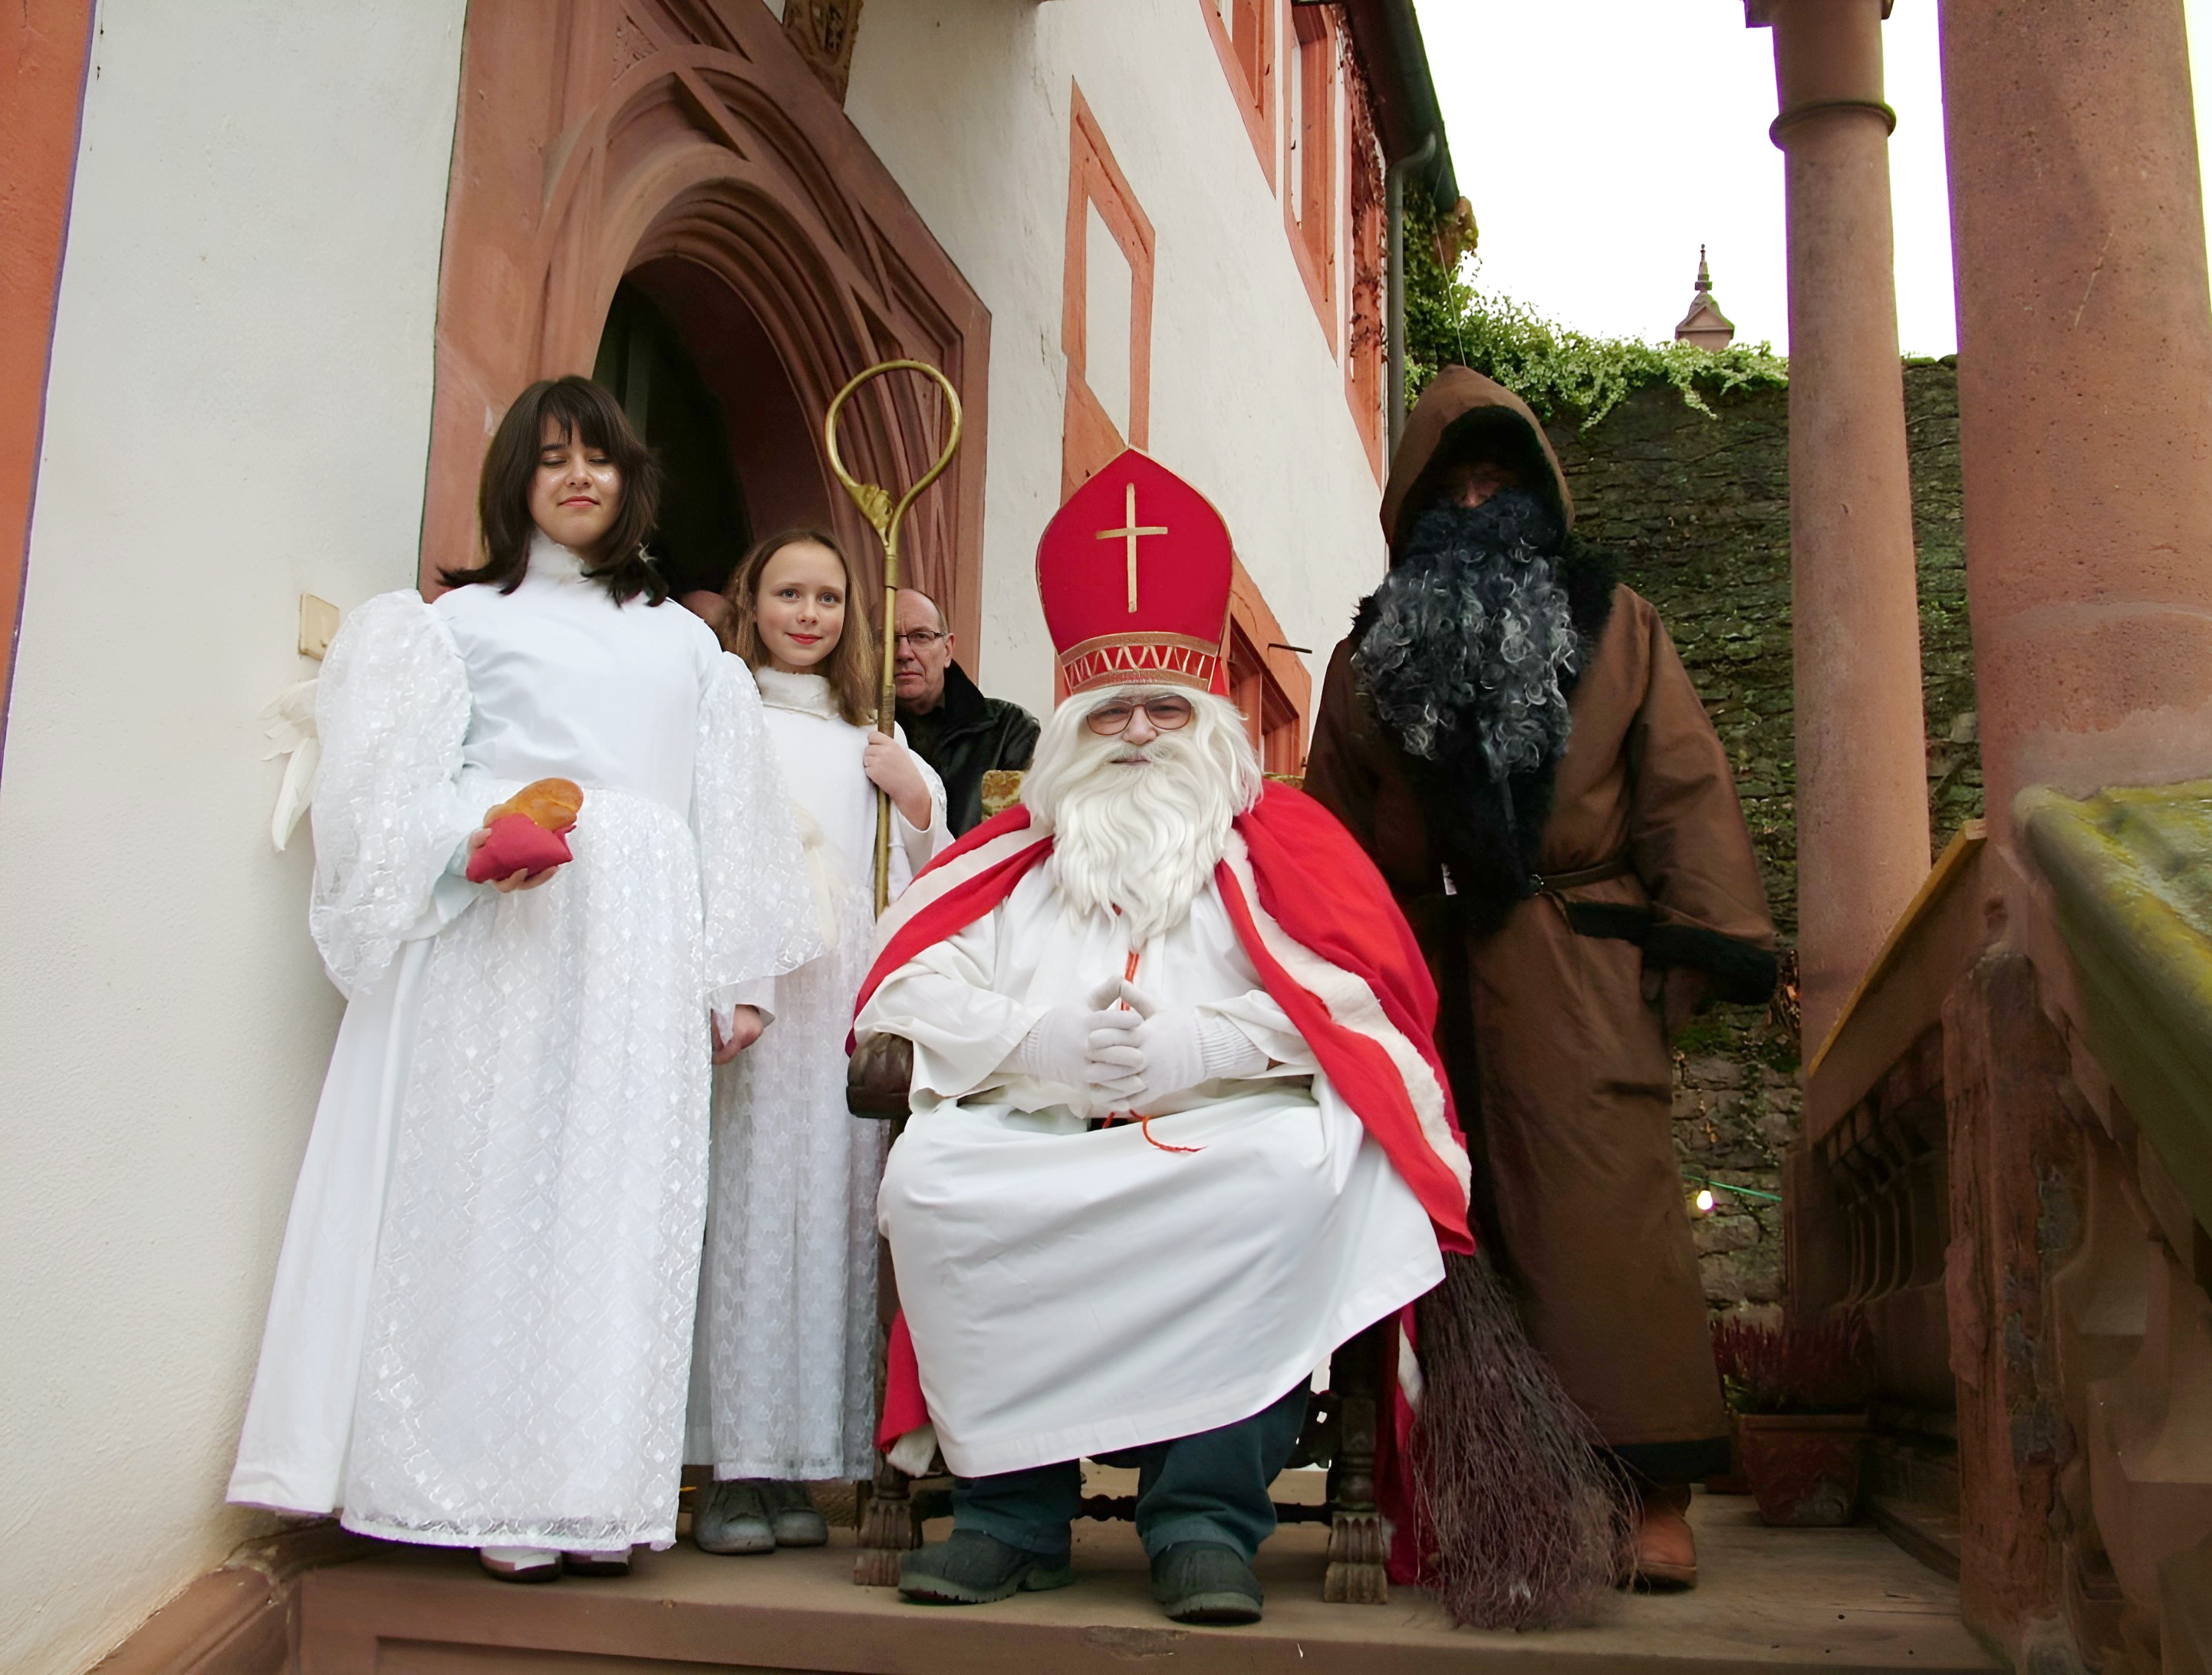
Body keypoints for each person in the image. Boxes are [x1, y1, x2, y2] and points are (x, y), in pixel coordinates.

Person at [848, 452, 1471, 1626]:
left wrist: (1205, 1047)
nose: (1137, 731)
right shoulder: (1010, 862)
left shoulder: (1283, 843)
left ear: (1207, 721)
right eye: (1111, 711)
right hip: (1032, 1125)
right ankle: (1007, 1514)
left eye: (1165, 708)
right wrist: (1038, 1046)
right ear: (1075, 728)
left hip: (1223, 1130)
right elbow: (905, 990)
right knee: (933, 1182)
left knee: (1292, 1174)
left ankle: (1202, 1520)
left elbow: (1363, 1004)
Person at [226, 376, 820, 1583]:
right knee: (490, 1190)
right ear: (518, 481)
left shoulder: (682, 643)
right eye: (551, 459)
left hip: (640, 939)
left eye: (598, 456)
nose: (578, 477)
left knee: (619, 1200)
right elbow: (383, 798)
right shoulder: (453, 626)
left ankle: (590, 1490)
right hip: (504, 937)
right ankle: (483, 1487)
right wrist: (471, 836)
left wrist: (739, 971)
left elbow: (732, 812)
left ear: (631, 478)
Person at [1303, 366, 1780, 1591]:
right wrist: (1334, 987)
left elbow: (1683, 786)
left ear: (1535, 490)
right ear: (1413, 511)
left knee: (1605, 1227)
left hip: (1578, 971)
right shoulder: (1366, 660)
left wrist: (1683, 962)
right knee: (1451, 1235)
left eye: (1496, 479)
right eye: (1451, 486)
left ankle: (1649, 1494)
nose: (1476, 503)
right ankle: (1497, 1490)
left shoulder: (1616, 624)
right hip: (1423, 978)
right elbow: (1331, 840)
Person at [686, 530, 946, 1555]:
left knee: (836, 1226)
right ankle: (728, 1468)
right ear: (750, 602)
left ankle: (805, 1467)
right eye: (787, 593)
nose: (807, 614)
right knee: (740, 1220)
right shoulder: (721, 717)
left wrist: (911, 793)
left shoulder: (867, 734)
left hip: (840, 997)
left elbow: (926, 862)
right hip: (755, 999)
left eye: (829, 598)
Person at [890, 586, 1039, 831]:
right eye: (888, 638)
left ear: (947, 650)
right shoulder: (852, 731)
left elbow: (1018, 843)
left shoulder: (1010, 731)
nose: (904, 653)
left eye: (921, 637)